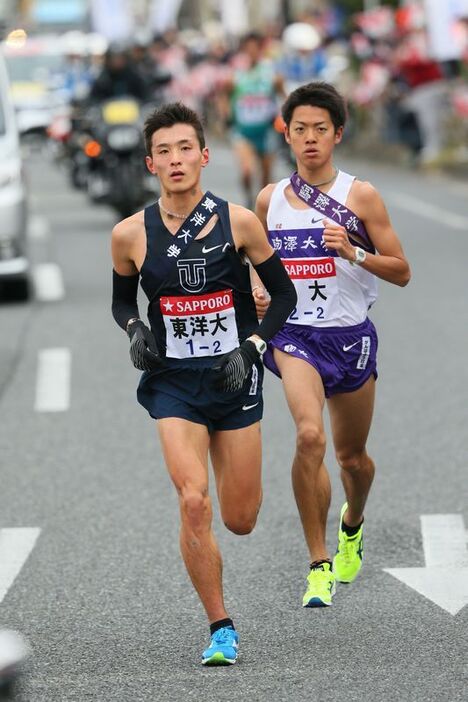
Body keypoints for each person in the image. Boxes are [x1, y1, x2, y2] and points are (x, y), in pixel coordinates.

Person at [111, 102, 296, 664]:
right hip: (173, 382)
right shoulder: (128, 235)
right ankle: (220, 626)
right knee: (194, 500)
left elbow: (282, 296)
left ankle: (227, 568)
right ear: (150, 163)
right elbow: (121, 303)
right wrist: (136, 327)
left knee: (239, 518)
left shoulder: (239, 222)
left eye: (184, 148)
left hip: (234, 377)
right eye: (163, 151)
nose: (175, 160)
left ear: (204, 156)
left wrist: (255, 345)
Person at [252, 82, 411, 607]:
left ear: (337, 134)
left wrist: (354, 252)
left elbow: (402, 271)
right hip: (295, 337)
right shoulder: (269, 200)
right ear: (288, 134)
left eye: (321, 129)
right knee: (307, 437)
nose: (310, 138)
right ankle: (317, 562)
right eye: (300, 129)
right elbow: (254, 267)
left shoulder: (358, 195)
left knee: (353, 459)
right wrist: (256, 292)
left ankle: (353, 521)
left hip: (350, 337)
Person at [224, 32, 285, 209]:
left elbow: (284, 96)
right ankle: (249, 201)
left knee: (266, 178)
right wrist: (226, 114)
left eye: (254, 48)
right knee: (247, 171)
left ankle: (263, 209)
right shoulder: (235, 74)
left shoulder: (271, 73)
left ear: (260, 49)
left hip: (266, 131)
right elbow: (224, 96)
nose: (250, 52)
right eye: (247, 49)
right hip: (242, 132)